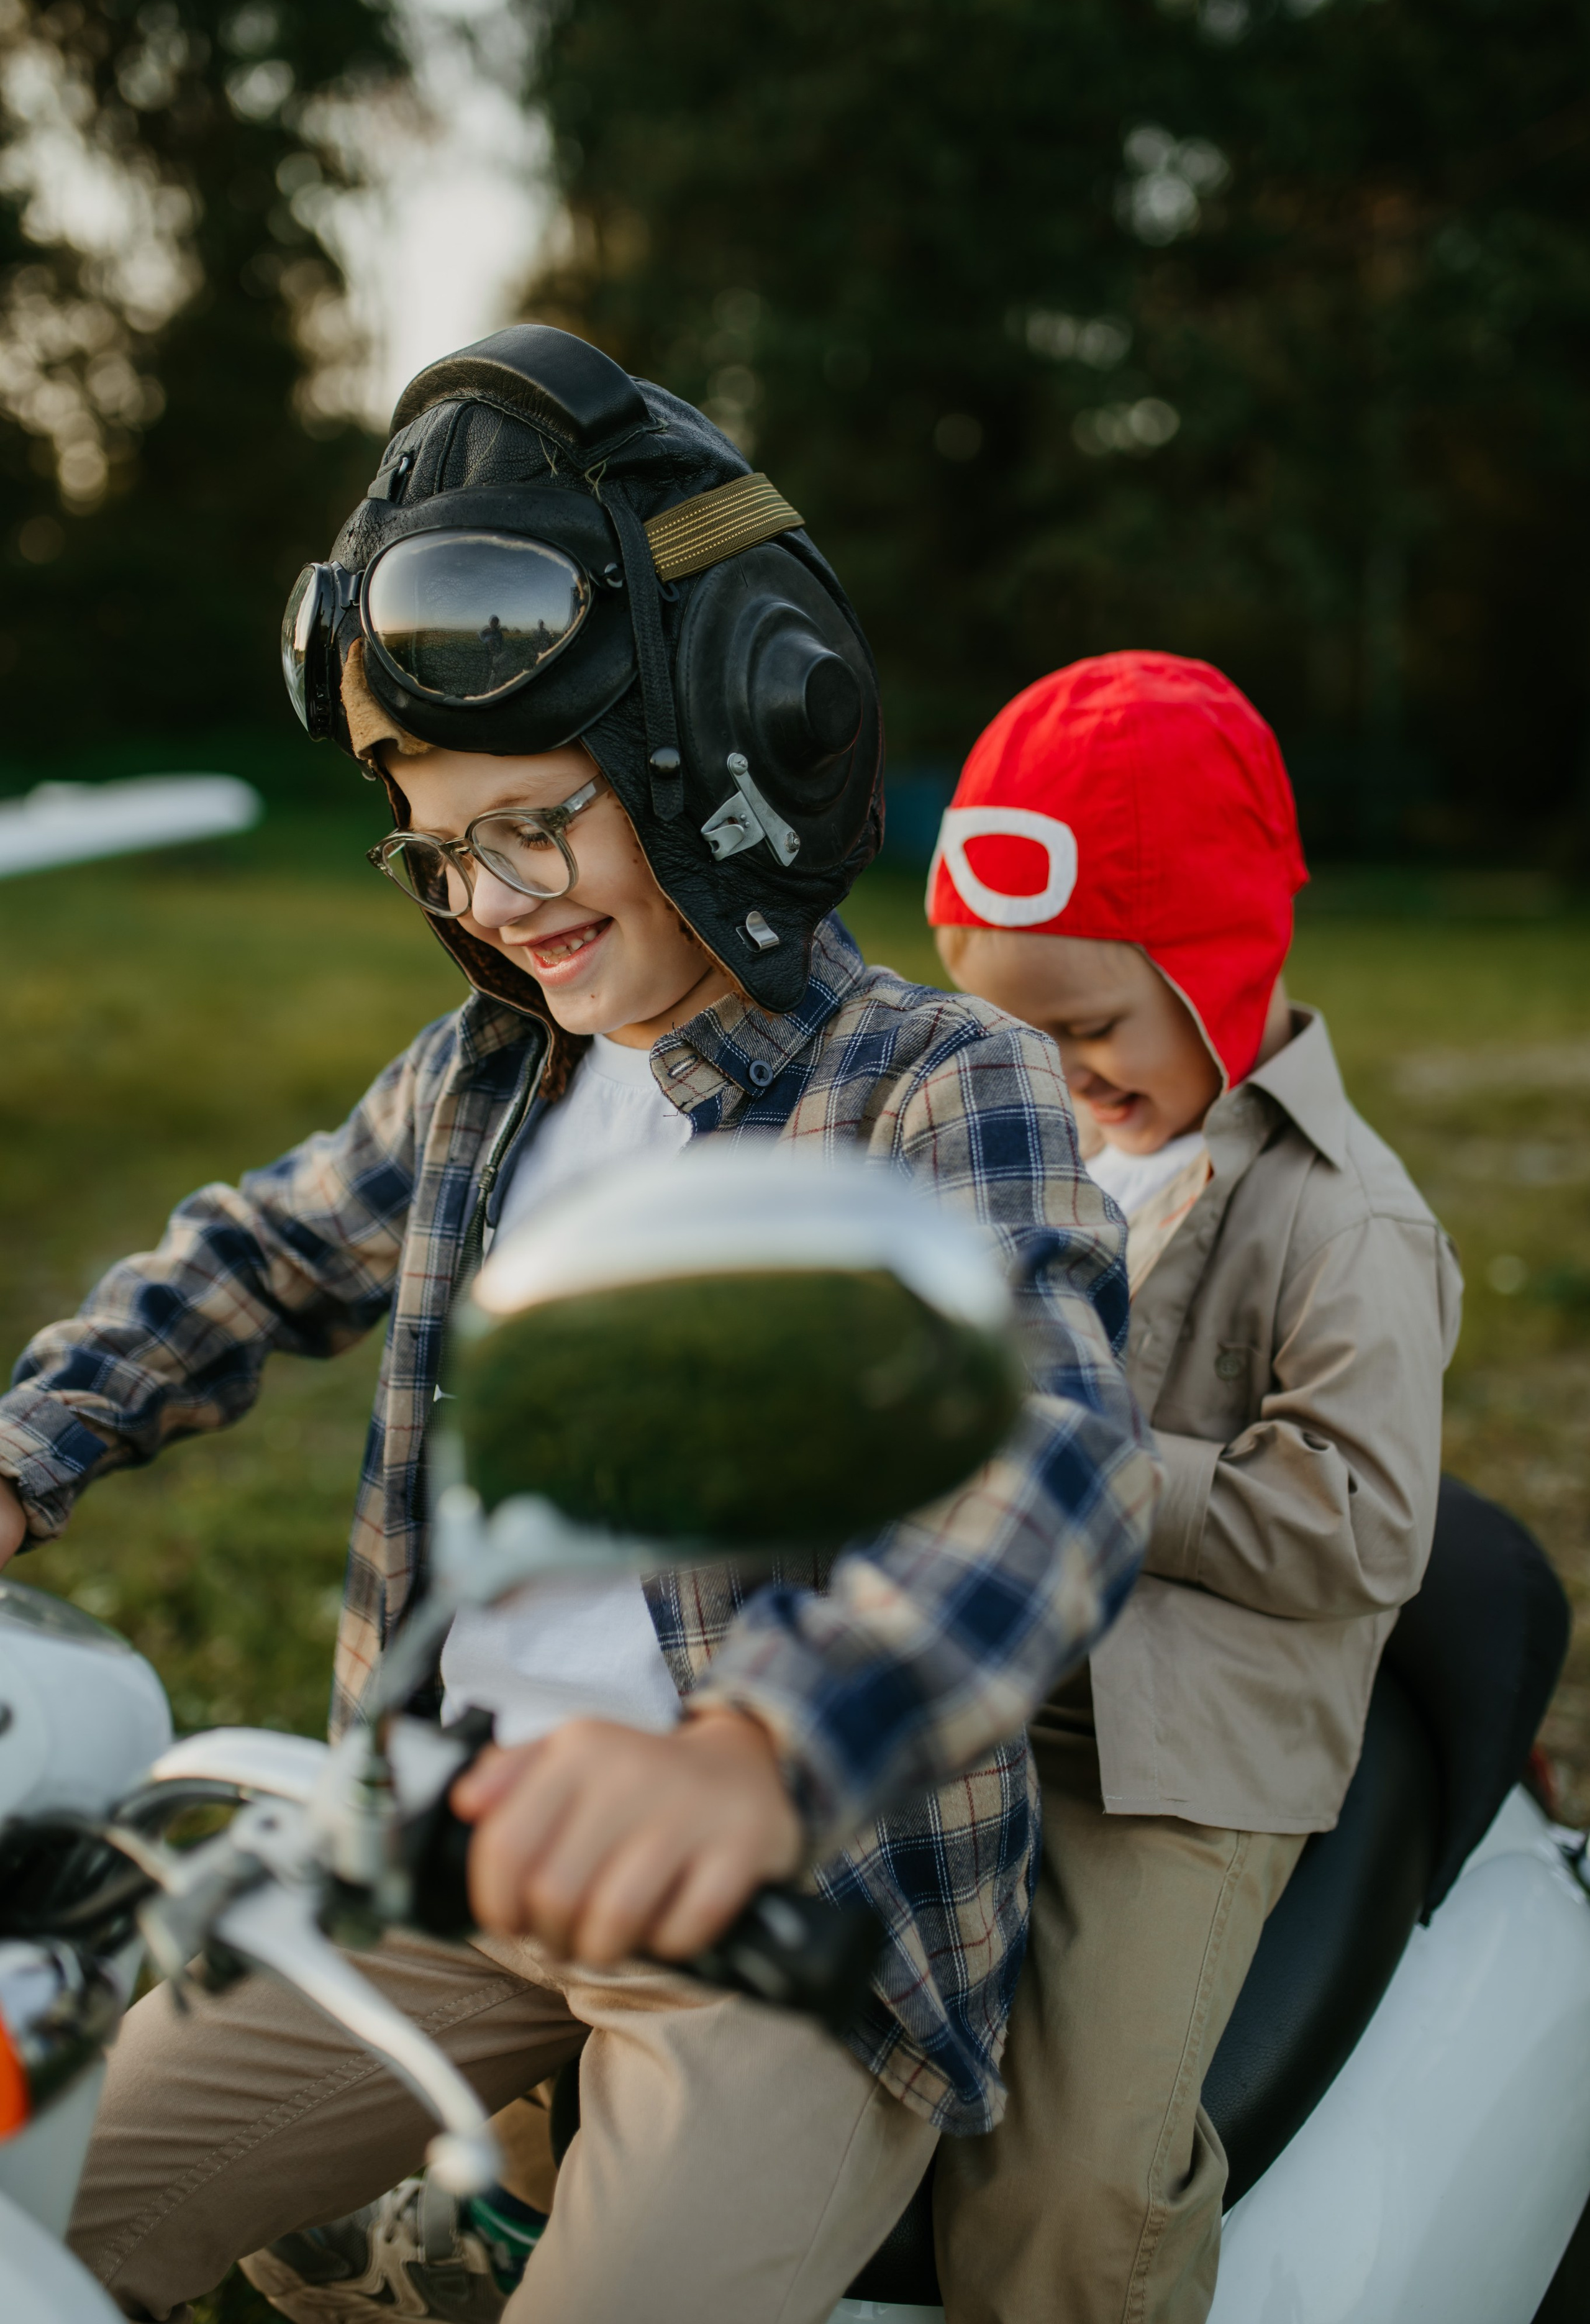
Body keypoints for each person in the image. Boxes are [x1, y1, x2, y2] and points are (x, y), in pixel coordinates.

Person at [0, 329, 1160, 2324]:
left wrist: (757, 1755)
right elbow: (252, 1255)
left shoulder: (930, 1084)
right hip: (453, 1859)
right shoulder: (483, 1075)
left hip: (779, 1910)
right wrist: (28, 1446)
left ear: (733, 743)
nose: (497, 894)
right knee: (48, 2210)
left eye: (539, 821)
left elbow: (1049, 1465)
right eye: (442, 847)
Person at [927, 650, 1463, 2324]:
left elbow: (1363, 1527)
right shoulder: (1016, 1138)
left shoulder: (1344, 1223)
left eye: (1087, 1029)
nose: (1047, 1078)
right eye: (1001, 1031)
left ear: (1221, 968)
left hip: (1171, 1754)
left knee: (1076, 2177)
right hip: (968, 1676)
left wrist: (1073, 1464)